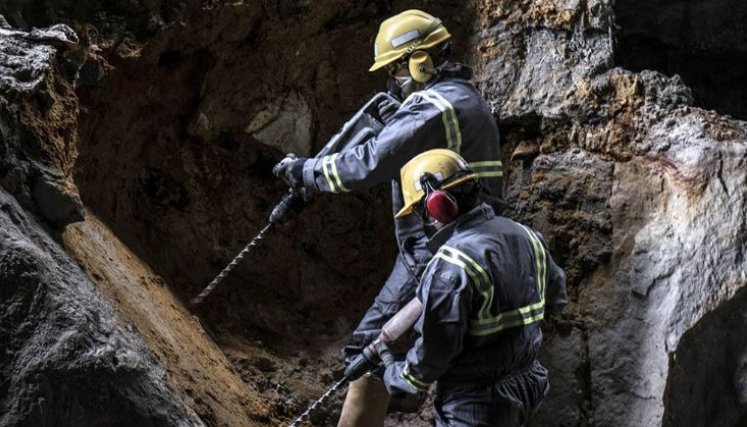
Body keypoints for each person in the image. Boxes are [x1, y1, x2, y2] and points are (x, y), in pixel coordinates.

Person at [273, 9, 504, 424]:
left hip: (439, 249)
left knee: (369, 350)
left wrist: (307, 171)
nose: (395, 78)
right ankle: (399, 396)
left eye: (397, 68)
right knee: (381, 349)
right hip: (455, 242)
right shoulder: (462, 98)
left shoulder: (435, 106)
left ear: (420, 60)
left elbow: (372, 161)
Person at [381, 149, 567, 426]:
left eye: (422, 211)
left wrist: (398, 375)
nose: (426, 221)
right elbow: (555, 299)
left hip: (476, 403)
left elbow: (434, 355)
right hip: (528, 383)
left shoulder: (450, 265)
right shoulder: (528, 236)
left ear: (437, 204)